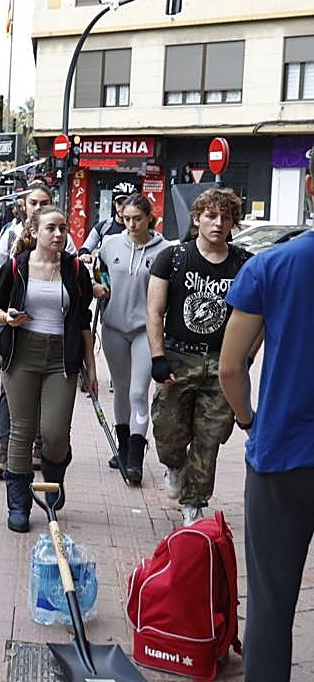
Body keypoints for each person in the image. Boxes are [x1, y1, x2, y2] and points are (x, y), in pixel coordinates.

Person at [219, 149, 314, 682]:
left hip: (281, 457)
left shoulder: (270, 266)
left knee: (273, 603)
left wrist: (250, 421)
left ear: (310, 188)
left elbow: (231, 367)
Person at [0, 205, 97, 533]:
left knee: (55, 433)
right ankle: (18, 503)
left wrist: (90, 368)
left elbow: (83, 320)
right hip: (22, 353)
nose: (58, 234)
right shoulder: (18, 266)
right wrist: (6, 318)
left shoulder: (75, 270)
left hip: (62, 357)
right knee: (21, 429)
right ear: (34, 232)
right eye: (51, 228)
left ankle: (54, 479)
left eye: (63, 228)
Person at [147, 187, 251, 526]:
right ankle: (174, 465)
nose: (218, 223)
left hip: (221, 362)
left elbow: (259, 314)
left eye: (226, 217)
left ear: (234, 221)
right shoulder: (173, 257)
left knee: (210, 436)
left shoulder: (244, 263)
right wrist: (158, 356)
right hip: (178, 356)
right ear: (197, 218)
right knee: (168, 431)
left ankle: (195, 503)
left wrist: (245, 356)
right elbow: (154, 309)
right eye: (211, 216)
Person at [0, 183, 72, 476]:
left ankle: (42, 450)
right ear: (24, 205)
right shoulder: (11, 238)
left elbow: (79, 307)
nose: (38, 206)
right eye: (33, 202)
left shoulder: (66, 250)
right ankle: (5, 449)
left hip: (58, 349)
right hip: (18, 336)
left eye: (44, 201)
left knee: (51, 425)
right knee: (15, 404)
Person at [91, 194, 166, 484]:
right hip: (113, 326)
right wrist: (100, 286)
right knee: (121, 389)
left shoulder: (165, 250)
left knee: (138, 391)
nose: (132, 224)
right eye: (127, 218)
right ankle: (122, 447)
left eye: (138, 218)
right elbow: (99, 270)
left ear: (150, 217)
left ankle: (136, 453)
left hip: (144, 330)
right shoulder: (110, 244)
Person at [79, 181, 135, 258]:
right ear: (114, 203)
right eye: (119, 203)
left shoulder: (138, 227)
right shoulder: (103, 226)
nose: (122, 207)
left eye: (127, 203)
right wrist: (85, 256)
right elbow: (85, 249)